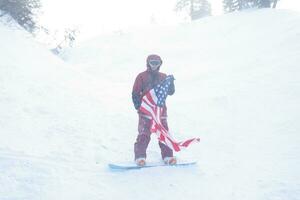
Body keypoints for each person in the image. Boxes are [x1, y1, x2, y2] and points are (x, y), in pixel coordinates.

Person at [132, 54, 176, 166]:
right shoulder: (141, 77)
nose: (154, 65)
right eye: (152, 63)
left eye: (157, 63)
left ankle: (168, 156)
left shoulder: (163, 76)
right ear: (148, 63)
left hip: (160, 112)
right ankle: (140, 157)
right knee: (144, 134)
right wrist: (139, 106)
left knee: (164, 133)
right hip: (146, 112)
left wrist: (171, 84)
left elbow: (170, 92)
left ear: (160, 64)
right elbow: (135, 93)